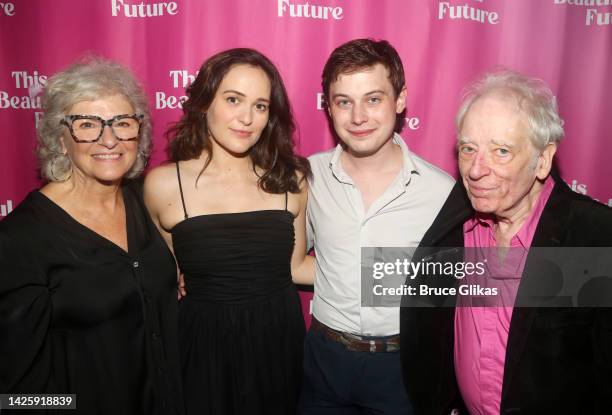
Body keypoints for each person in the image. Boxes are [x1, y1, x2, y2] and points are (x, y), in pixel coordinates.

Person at [400, 70, 612, 414]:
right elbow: (428, 326)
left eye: (501, 151)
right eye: (468, 149)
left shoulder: (594, 237)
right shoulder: (454, 225)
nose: (476, 170)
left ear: (542, 159)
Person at [0, 58, 183, 414]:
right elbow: (15, 390)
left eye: (122, 123)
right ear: (60, 137)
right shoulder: (19, 240)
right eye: (88, 125)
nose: (109, 139)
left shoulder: (146, 200)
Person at [144, 48, 313, 415]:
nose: (247, 118)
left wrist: (392, 270)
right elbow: (161, 279)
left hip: (278, 343)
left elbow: (297, 266)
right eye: (233, 99)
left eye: (261, 106)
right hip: (202, 349)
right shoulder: (162, 184)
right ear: (205, 102)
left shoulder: (290, 179)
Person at [300, 39, 454, 414]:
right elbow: (282, 261)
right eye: (343, 101)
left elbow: (454, 286)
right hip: (323, 361)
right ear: (329, 107)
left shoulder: (441, 190)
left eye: (373, 99)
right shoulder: (308, 176)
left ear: (399, 100)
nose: (358, 117)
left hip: (400, 367)